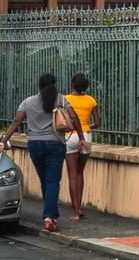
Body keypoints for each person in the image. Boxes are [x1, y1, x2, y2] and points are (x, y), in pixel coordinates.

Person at [3, 72, 72, 232]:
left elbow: (16, 122)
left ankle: (50, 215)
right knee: (53, 181)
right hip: (55, 144)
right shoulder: (61, 99)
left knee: (44, 180)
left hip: (34, 144)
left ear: (39, 85)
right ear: (54, 85)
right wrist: (79, 136)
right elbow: (73, 118)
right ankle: (49, 217)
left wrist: (3, 140)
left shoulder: (28, 102)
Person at [63, 73, 96, 221]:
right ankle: (80, 207)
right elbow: (98, 122)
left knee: (72, 175)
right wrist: (87, 127)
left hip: (70, 136)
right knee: (80, 173)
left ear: (72, 84)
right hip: (86, 135)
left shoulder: (65, 99)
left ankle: (76, 211)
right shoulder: (91, 100)